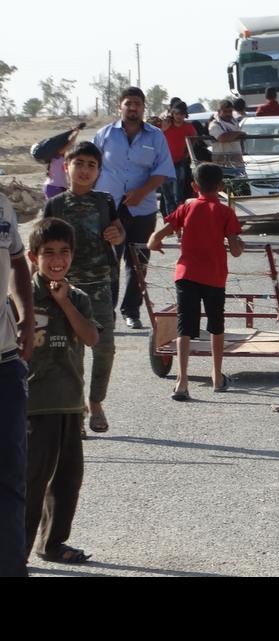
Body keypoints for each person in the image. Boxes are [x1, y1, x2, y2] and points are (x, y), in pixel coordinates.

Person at [23, 217, 99, 565]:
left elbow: (92, 338)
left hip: (69, 402)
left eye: (64, 252)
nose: (57, 259)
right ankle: (15, 550)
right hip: (33, 404)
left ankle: (52, 544)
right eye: (48, 253)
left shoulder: (78, 297)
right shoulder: (20, 297)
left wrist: (66, 303)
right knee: (31, 480)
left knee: (67, 481)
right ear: (31, 256)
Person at [39, 141, 126, 435]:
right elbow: (42, 246)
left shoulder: (105, 201)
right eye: (80, 164)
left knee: (105, 349)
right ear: (67, 168)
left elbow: (118, 230)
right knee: (71, 353)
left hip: (101, 285)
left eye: (92, 165)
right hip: (66, 288)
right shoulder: (55, 205)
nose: (85, 170)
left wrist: (117, 234)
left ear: (99, 171)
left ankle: (96, 401)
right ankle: (76, 408)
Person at [147, 162, 244, 400]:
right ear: (221, 186)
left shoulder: (186, 209)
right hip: (214, 277)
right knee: (216, 325)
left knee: (185, 327)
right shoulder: (225, 212)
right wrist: (239, 243)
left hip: (186, 276)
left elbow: (154, 239)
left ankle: (182, 381)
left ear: (193, 186)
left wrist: (156, 244)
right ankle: (217, 376)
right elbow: (235, 251)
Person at [92, 86, 176, 331]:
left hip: (143, 210)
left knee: (138, 262)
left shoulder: (156, 136)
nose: (133, 108)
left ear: (143, 107)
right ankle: (106, 314)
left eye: (137, 103)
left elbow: (163, 170)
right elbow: (90, 167)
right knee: (109, 262)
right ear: (120, 106)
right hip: (109, 210)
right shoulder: (104, 135)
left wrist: (142, 192)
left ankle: (131, 311)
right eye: (128, 103)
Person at [1, 192, 36, 577]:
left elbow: (17, 261)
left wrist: (25, 314)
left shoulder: (2, 206)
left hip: (5, 363)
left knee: (11, 474)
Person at [160, 101, 198, 216]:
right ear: (172, 113)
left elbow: (194, 139)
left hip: (179, 163)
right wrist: (162, 127)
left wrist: (187, 152)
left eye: (182, 114)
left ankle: (179, 222)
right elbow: (152, 134)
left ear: (185, 115)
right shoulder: (165, 124)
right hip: (163, 164)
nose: (179, 116)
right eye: (176, 113)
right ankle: (171, 223)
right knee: (168, 197)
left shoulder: (188, 127)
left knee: (178, 196)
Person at [208, 100, 247, 177]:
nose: (228, 114)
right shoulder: (215, 124)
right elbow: (222, 138)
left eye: (230, 111)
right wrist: (238, 134)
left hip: (238, 164)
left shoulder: (234, 122)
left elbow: (240, 140)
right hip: (222, 166)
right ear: (219, 111)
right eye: (225, 111)